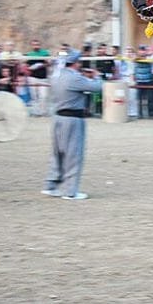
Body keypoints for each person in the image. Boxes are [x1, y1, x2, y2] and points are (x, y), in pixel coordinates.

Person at [42, 50, 102, 200]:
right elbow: (97, 88)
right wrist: (97, 77)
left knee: (57, 153)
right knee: (73, 155)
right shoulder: (74, 78)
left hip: (58, 118)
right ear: (76, 63)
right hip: (73, 119)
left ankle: (51, 185)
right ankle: (70, 191)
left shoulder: (56, 76)